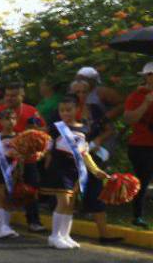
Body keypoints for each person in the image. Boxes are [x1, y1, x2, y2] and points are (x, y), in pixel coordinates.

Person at [42, 96, 109, 250]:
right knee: (63, 201)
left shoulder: (84, 129)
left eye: (69, 110)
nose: (65, 113)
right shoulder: (55, 128)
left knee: (71, 204)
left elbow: (84, 153)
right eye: (62, 110)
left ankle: (65, 235)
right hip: (60, 168)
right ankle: (54, 236)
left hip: (76, 170)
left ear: (77, 109)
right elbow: (46, 147)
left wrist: (96, 170)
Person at [69, 76, 122, 244]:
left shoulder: (95, 109)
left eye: (84, 92)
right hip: (71, 157)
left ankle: (104, 234)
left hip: (91, 156)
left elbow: (109, 129)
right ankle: (62, 232)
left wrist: (98, 141)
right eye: (77, 92)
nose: (81, 95)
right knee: (70, 193)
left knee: (96, 190)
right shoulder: (65, 110)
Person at [0, 83, 46, 233]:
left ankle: (33, 221)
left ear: (22, 96)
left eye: (14, 95)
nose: (9, 98)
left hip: (28, 159)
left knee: (30, 189)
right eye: (7, 95)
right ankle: (0, 222)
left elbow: (42, 131)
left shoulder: (32, 111)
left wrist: (39, 149)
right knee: (2, 190)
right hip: (4, 161)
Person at [122, 61, 153, 228]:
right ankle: (138, 215)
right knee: (143, 180)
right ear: (147, 77)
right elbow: (128, 119)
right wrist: (146, 103)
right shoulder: (137, 96)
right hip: (142, 146)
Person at [0, 107, 22, 239]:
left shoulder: (19, 137)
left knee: (10, 197)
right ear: (0, 121)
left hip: (14, 169)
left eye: (13, 118)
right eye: (7, 119)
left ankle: (6, 225)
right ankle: (2, 226)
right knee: (1, 196)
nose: (11, 122)